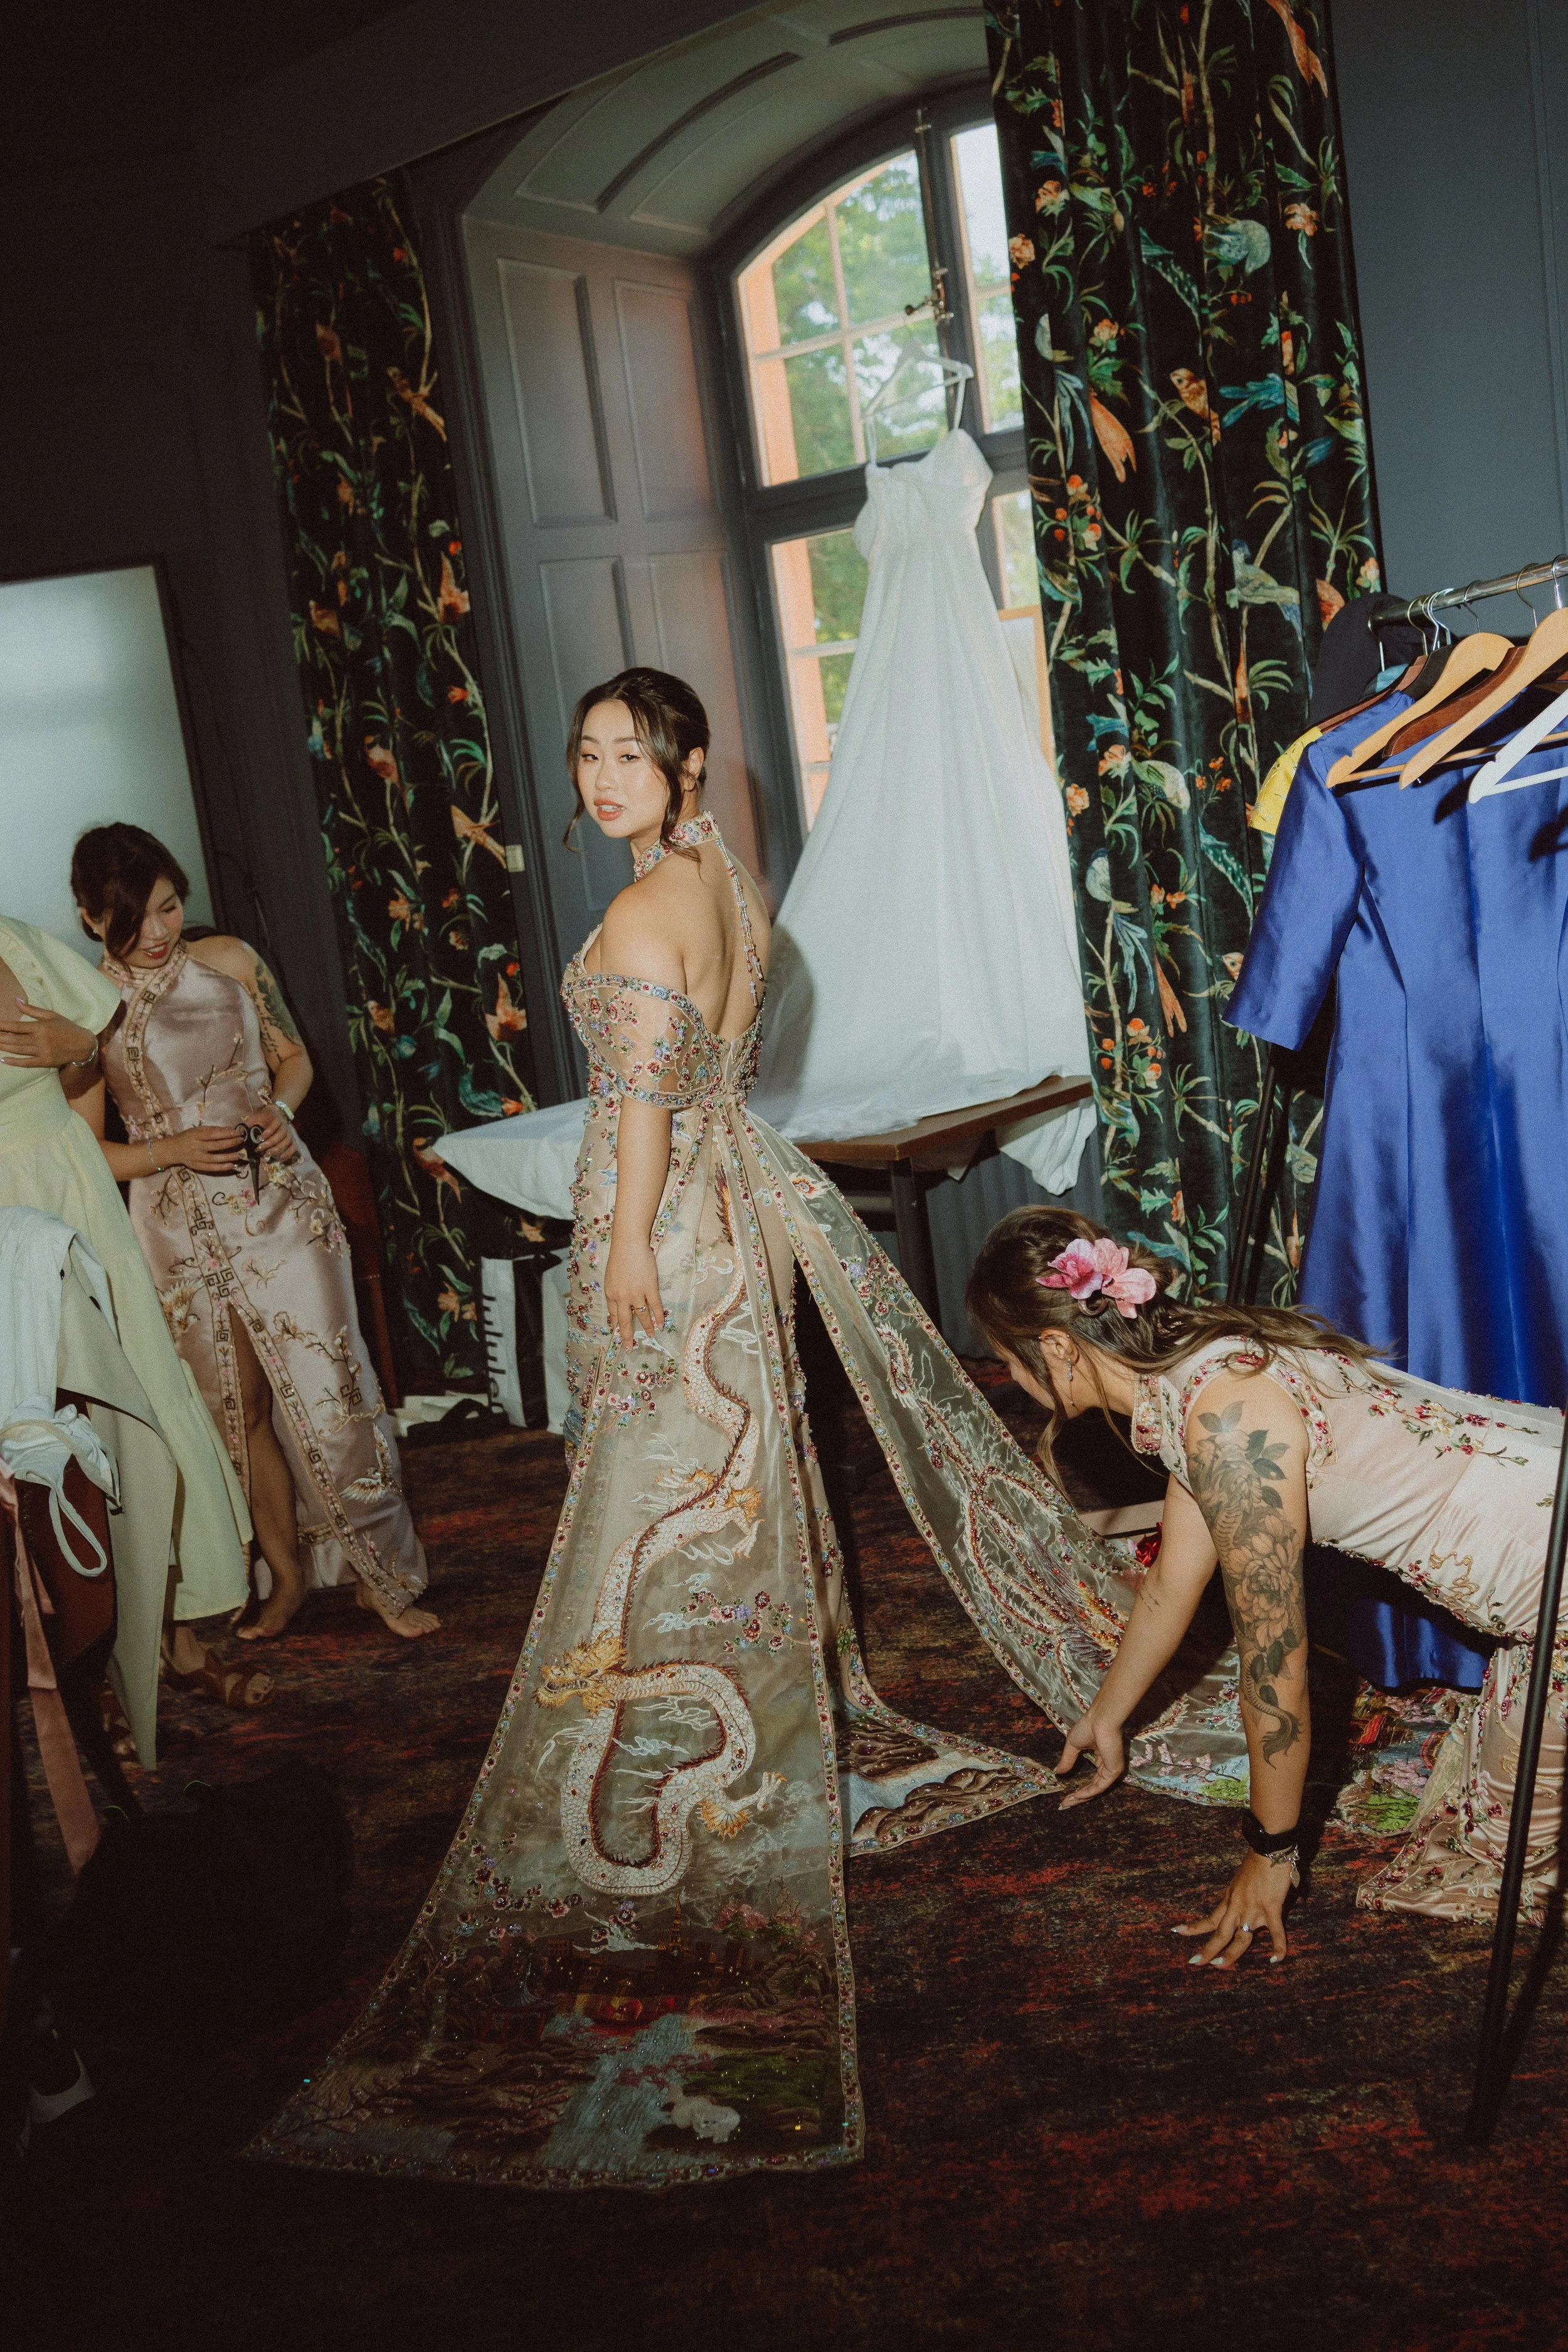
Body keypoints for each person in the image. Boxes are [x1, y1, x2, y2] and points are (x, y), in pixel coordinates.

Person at [257, 667, 1188, 2193]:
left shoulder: (638, 918)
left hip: (673, 1228)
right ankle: (777, 1702)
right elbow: (711, 1060)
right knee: (743, 1470)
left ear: (687, 767)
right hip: (734, 1208)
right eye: (588, 754)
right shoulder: (724, 880)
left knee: (652, 1488)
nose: (606, 775)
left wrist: (617, 1248)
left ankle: (694, 1738)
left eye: (635, 754)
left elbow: (632, 1112)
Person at [965, 1204, 1568, 1966]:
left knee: (1493, 1870)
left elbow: (1275, 1662)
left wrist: (1270, 1850)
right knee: (1485, 1824)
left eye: (1009, 1362)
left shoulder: (1225, 1424)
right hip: (1544, 1489)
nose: (1012, 1382)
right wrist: (1107, 1715)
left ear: (1056, 1346)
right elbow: (1173, 1582)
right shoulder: (1200, 1369)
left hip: (1558, 1582)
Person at [66, 825, 434, 1642]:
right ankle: (284, 1578)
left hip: (279, 1202)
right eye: (135, 921)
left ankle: (383, 1576)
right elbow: (88, 1150)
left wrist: (282, 1109)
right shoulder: (86, 1008)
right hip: (174, 1227)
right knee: (236, 1410)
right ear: (93, 920)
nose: (161, 931)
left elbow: (293, 1058)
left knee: (333, 1389)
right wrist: (168, 1148)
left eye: (169, 905)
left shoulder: (229, 959)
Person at [0, 910, 262, 1712]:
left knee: (134, 1412)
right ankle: (92, 1682)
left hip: (75, 1200)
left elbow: (86, 1071)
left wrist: (75, 1047)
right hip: (6, 1225)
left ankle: (175, 1642)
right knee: (45, 1443)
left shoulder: (15, 941)